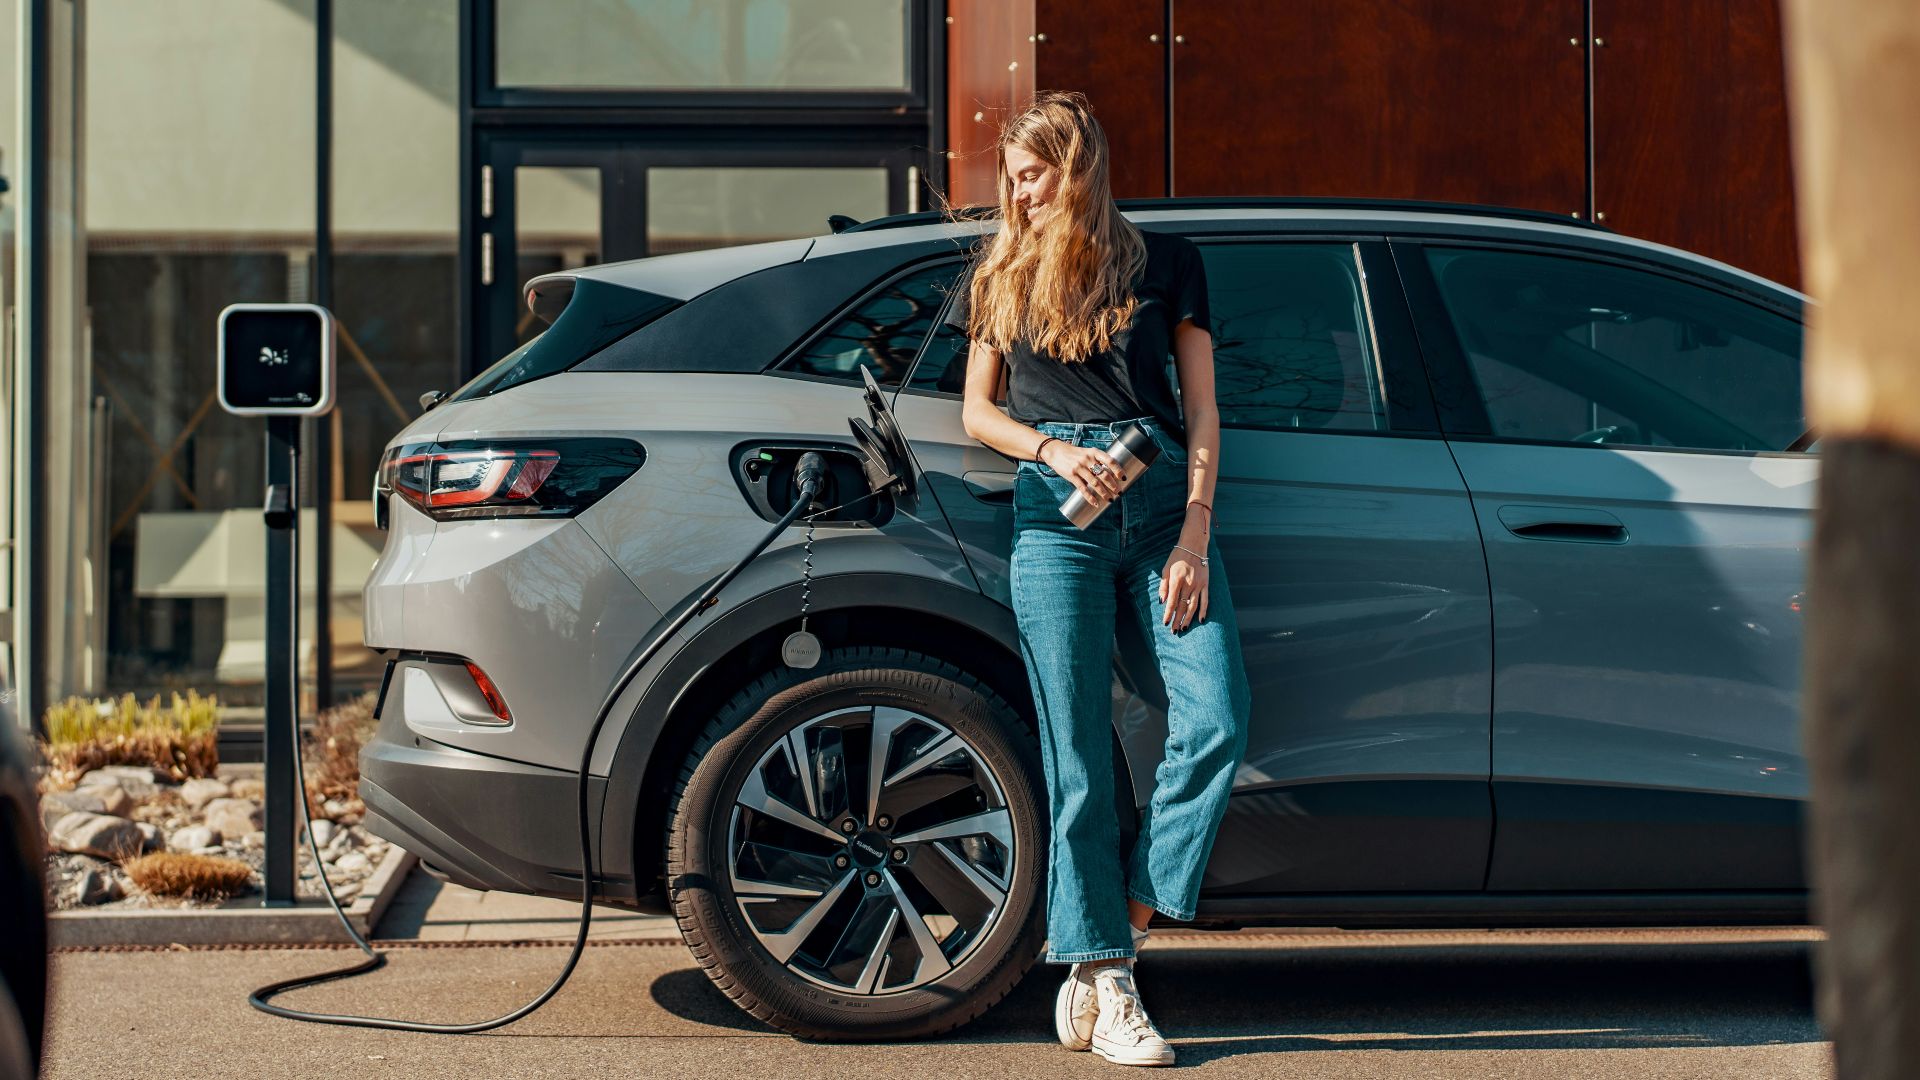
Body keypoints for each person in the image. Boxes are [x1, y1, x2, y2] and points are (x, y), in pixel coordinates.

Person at [947, 91, 1253, 1068]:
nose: (1018, 191)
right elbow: (976, 415)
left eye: (1032, 173)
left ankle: (1112, 935)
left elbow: (1202, 412)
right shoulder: (1001, 268)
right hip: (1058, 522)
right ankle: (1109, 980)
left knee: (1217, 719)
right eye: (1012, 177)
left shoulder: (1166, 262)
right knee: (1077, 755)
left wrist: (1195, 537)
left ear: (1075, 167)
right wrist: (1049, 451)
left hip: (1164, 507)